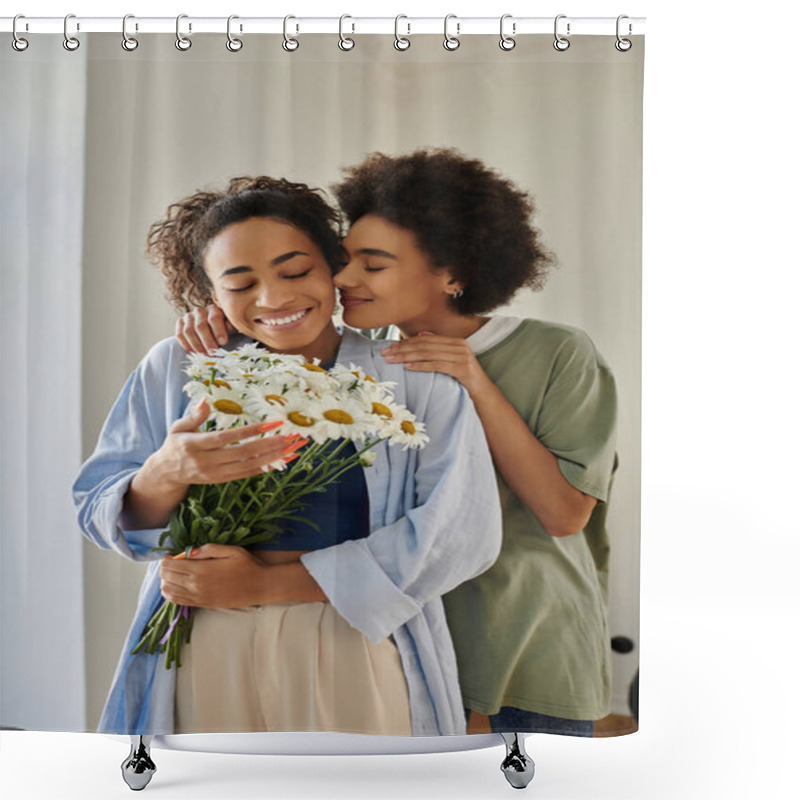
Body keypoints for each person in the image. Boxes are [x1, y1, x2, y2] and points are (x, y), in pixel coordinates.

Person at [179, 150, 619, 737]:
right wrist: (214, 320)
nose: (343, 279)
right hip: (402, 632)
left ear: (452, 272)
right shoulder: (370, 360)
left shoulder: (557, 352)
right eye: (344, 260)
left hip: (526, 640)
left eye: (374, 264)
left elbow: (565, 515)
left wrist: (473, 380)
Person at [72, 175, 502, 737]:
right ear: (209, 295)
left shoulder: (414, 378)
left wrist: (268, 586)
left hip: (359, 638)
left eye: (295, 272)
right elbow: (97, 508)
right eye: (239, 283)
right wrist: (166, 472)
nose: (273, 299)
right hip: (203, 639)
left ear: (332, 267)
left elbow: (460, 535)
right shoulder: (176, 367)